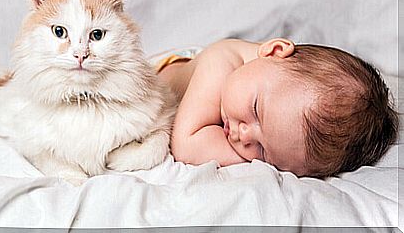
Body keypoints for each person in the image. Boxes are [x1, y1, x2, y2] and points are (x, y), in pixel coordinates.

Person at [155, 38, 399, 178]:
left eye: (262, 151)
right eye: (256, 108)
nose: (244, 136)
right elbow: (186, 145)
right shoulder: (220, 61)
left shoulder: (271, 86)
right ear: (273, 51)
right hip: (161, 71)